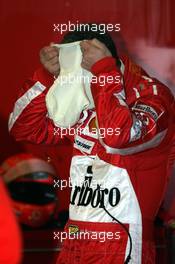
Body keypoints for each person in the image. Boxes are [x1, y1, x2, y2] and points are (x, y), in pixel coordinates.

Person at [9, 26, 175, 264]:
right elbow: (24, 128)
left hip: (122, 243)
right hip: (75, 238)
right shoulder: (81, 100)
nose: (71, 82)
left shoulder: (152, 95)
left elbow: (117, 138)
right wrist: (46, 77)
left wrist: (104, 73)